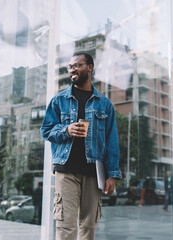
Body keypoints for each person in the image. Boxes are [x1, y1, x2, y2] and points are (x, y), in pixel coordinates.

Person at [40, 52, 121, 240]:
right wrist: (66, 130)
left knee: (88, 227)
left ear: (90, 67)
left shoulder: (105, 105)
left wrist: (112, 175)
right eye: (70, 67)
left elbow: (112, 142)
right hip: (66, 170)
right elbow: (46, 131)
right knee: (65, 226)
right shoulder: (59, 100)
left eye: (77, 65)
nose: (72, 70)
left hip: (94, 171)